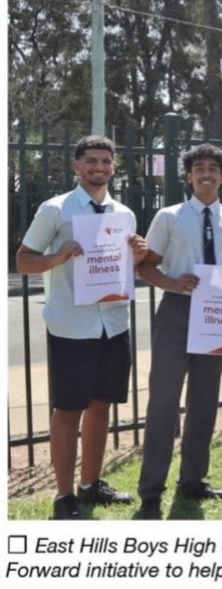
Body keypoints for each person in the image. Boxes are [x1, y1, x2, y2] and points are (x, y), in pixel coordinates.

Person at [16, 135, 147, 519]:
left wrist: (136, 256)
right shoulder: (55, 210)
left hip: (113, 323)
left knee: (102, 405)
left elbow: (123, 267)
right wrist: (58, 256)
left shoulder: (124, 213)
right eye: (91, 161)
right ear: (76, 167)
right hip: (72, 327)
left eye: (105, 161)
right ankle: (63, 495)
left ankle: (91, 485)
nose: (99, 168)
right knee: (68, 409)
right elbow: (24, 261)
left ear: (114, 166)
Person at [135, 144, 222, 520]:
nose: (206, 175)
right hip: (176, 313)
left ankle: (193, 480)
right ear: (188, 176)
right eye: (199, 169)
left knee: (205, 400)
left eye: (213, 169)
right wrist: (173, 284)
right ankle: (151, 489)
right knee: (164, 402)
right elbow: (146, 267)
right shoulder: (168, 217)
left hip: (217, 315)